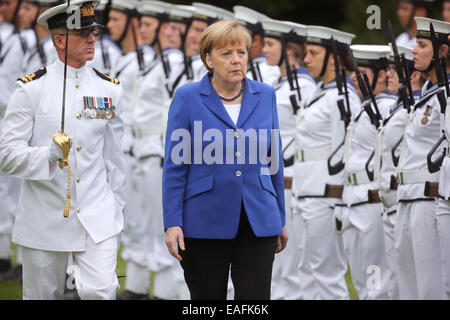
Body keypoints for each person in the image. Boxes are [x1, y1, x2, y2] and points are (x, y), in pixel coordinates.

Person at [0, 0, 126, 299]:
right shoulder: (30, 89)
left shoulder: (109, 89)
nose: (92, 39)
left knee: (102, 291)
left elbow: (115, 158)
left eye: (94, 31)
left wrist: (115, 208)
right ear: (60, 39)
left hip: (98, 216)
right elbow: (6, 155)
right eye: (83, 33)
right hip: (45, 219)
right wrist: (47, 155)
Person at [163, 19, 288, 300]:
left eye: (241, 53)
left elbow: (274, 160)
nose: (236, 60)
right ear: (208, 58)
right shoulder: (188, 97)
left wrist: (279, 217)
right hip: (204, 220)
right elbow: (175, 166)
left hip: (259, 219)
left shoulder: (265, 95)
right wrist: (172, 223)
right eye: (226, 53)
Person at [292, 25, 359, 300]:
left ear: (333, 58)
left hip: (324, 195)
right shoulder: (318, 92)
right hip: (304, 191)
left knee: (327, 274)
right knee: (305, 271)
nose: (306, 59)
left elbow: (344, 153)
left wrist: (338, 200)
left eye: (313, 53)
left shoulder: (343, 98)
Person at [260, 19, 316, 300]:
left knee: (291, 263)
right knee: (277, 265)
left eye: (270, 44)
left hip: (291, 178)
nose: (264, 49)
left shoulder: (303, 87)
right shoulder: (277, 82)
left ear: (288, 48)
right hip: (272, 177)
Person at [393, 16, 449, 300]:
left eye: (423, 44)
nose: (414, 50)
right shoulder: (428, 94)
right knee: (408, 287)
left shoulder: (445, 96)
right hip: (408, 197)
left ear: (441, 53)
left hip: (429, 198)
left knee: (432, 288)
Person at [340, 45, 397, 300]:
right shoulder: (366, 107)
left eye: (361, 72)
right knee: (362, 280)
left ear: (382, 75)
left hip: (372, 200)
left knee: (377, 283)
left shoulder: (386, 108)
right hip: (355, 199)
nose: (353, 76)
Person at [372, 44, 424, 300]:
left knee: (413, 284)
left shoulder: (413, 109)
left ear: (413, 76)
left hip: (406, 200)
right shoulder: (398, 109)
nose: (388, 75)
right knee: (398, 283)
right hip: (391, 204)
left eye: (394, 70)